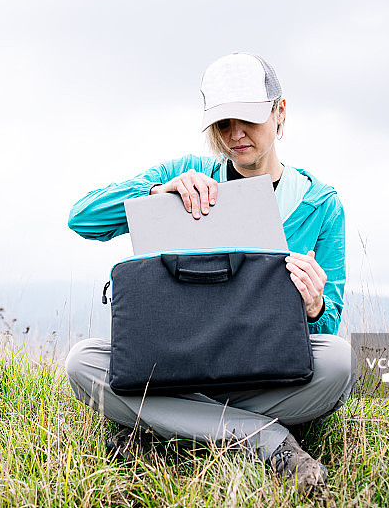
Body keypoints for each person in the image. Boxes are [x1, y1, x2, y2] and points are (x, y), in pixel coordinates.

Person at [64, 52, 355, 493]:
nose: (235, 134)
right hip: (178, 362)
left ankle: (169, 426)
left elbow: (328, 322)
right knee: (82, 362)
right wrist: (156, 194)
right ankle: (267, 439)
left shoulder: (321, 204)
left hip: (264, 369)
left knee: (340, 361)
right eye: (223, 124)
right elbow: (82, 218)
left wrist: (314, 306)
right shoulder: (186, 174)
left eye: (248, 120)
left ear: (279, 112)